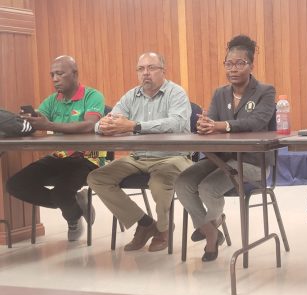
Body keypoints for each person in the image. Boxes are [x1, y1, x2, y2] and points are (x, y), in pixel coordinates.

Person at [175, 35, 276, 262]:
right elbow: (210, 119)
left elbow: (256, 122)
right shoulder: (220, 93)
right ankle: (211, 229)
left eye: (240, 63)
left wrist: (221, 126)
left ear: (251, 65)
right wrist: (203, 125)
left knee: (208, 187)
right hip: (219, 157)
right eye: (228, 64)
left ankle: (211, 234)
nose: (233, 69)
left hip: (252, 162)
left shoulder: (265, 91)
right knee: (182, 182)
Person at [87, 52, 192, 252]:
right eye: (141, 69)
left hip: (173, 156)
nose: (146, 73)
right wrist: (104, 126)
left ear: (163, 71)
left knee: (159, 184)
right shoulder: (130, 96)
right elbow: (106, 121)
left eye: (151, 68)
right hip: (138, 157)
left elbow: (177, 123)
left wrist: (135, 126)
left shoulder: (176, 93)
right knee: (97, 178)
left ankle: (164, 230)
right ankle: (145, 224)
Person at [7, 55, 105, 241]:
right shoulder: (52, 100)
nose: (54, 79)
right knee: (15, 185)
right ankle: (74, 207)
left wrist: (49, 125)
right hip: (59, 156)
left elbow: (89, 125)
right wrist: (29, 121)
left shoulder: (93, 96)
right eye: (52, 75)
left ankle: (71, 216)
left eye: (60, 74)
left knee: (61, 193)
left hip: (89, 158)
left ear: (75, 74)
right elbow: (40, 123)